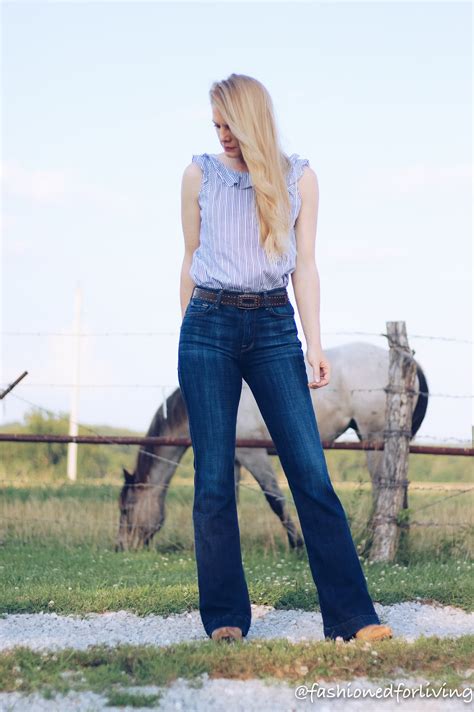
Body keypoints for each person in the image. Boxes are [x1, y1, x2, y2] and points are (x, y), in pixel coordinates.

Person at [177, 73, 393, 644]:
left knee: (310, 471)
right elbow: (189, 259)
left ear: (254, 120)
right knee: (214, 480)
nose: (222, 135)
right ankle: (225, 617)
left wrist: (315, 343)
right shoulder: (200, 174)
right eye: (216, 125)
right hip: (209, 327)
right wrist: (189, 340)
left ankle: (353, 617)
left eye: (230, 124)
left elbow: (306, 267)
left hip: (274, 327)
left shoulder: (301, 177)